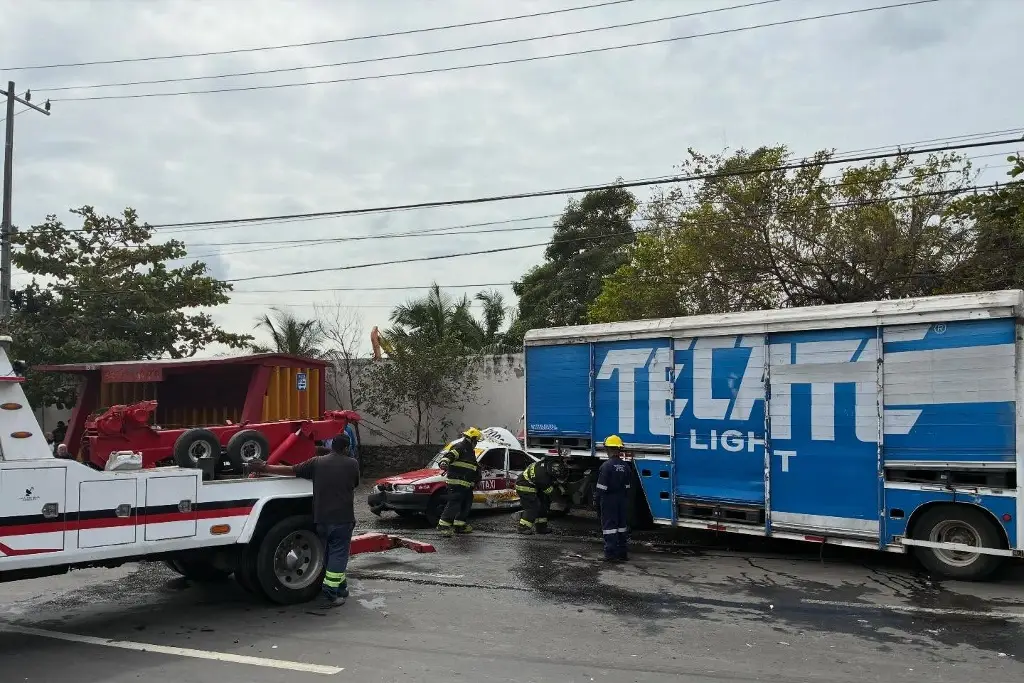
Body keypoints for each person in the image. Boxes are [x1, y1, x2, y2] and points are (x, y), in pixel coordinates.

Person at [247, 433, 360, 609]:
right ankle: (330, 593)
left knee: (329, 553)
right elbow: (355, 483)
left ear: (332, 446)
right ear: (346, 448)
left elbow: (291, 470)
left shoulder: (317, 462)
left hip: (321, 518)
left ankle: (341, 587)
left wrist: (265, 467)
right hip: (342, 518)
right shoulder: (352, 464)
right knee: (338, 555)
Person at [436, 427, 483, 537]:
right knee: (454, 504)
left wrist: (476, 476)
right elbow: (450, 455)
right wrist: (444, 462)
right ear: (473, 439)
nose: (476, 443)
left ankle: (459, 525)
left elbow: (471, 467)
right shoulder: (460, 447)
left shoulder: (470, 451)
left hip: (466, 485)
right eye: (476, 441)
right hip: (456, 483)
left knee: (466, 503)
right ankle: (443, 526)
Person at [595, 435, 631, 562]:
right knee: (622, 525)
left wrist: (597, 502)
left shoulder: (606, 466)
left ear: (609, 449)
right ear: (619, 450)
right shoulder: (626, 466)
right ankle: (622, 553)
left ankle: (610, 554)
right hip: (622, 499)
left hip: (609, 500)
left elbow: (601, 488)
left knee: (609, 526)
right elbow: (627, 487)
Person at [515, 459, 560, 535]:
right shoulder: (543, 478)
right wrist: (561, 495)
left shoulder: (545, 464)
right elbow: (551, 492)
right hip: (524, 487)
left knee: (543, 505)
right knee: (533, 507)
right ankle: (522, 528)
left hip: (533, 485)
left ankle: (541, 528)